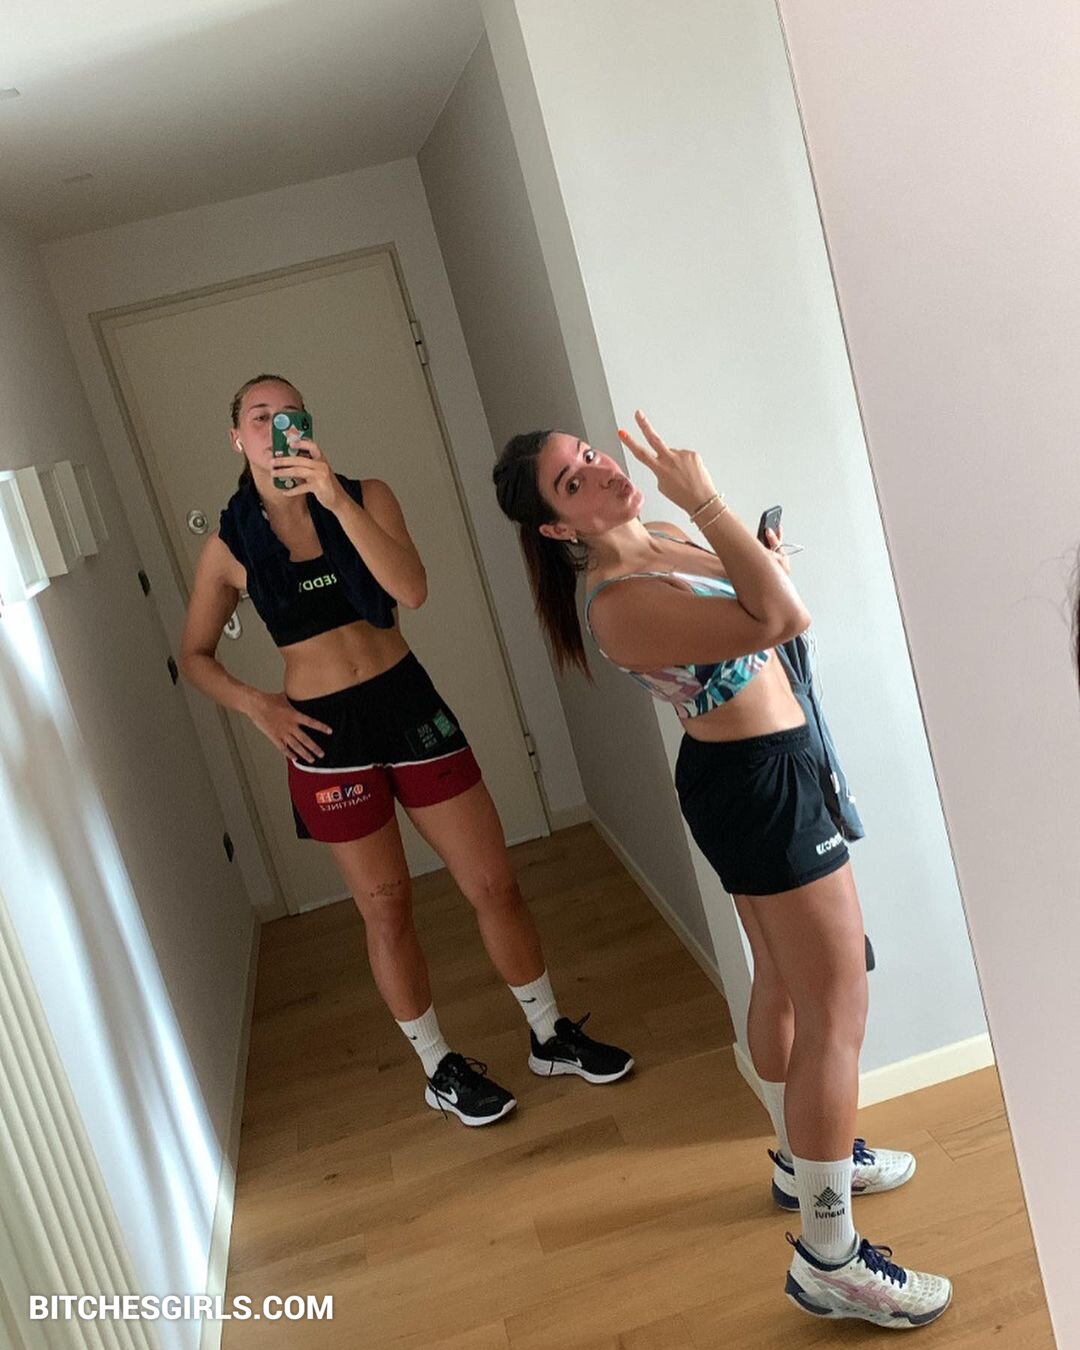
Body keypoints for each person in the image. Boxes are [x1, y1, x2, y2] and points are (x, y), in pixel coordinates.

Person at [492, 411, 951, 1328]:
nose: (600, 471)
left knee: (783, 980)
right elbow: (782, 616)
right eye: (573, 482)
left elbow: (758, 600)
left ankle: (800, 1161)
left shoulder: (660, 536)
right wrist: (707, 499)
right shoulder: (618, 603)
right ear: (556, 526)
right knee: (838, 1007)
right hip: (758, 790)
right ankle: (831, 1258)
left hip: (766, 771)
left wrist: (740, 544)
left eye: (589, 455)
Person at [179, 374, 632, 1127]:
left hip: (406, 703)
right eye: (261, 416)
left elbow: (411, 590)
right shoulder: (228, 547)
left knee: (494, 882)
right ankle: (437, 1065)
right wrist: (260, 706)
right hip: (324, 734)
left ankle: (549, 1032)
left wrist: (332, 498)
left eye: (291, 412)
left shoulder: (364, 496)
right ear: (237, 438)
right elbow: (194, 656)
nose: (277, 426)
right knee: (386, 908)